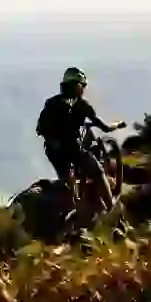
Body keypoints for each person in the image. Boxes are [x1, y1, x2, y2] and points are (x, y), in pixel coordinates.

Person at [35, 67, 127, 216]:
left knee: (66, 177)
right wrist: (118, 124)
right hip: (72, 149)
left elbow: (40, 128)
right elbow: (105, 128)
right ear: (77, 85)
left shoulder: (51, 103)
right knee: (98, 172)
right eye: (82, 86)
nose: (83, 89)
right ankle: (112, 211)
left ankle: (72, 205)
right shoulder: (82, 106)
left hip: (52, 150)